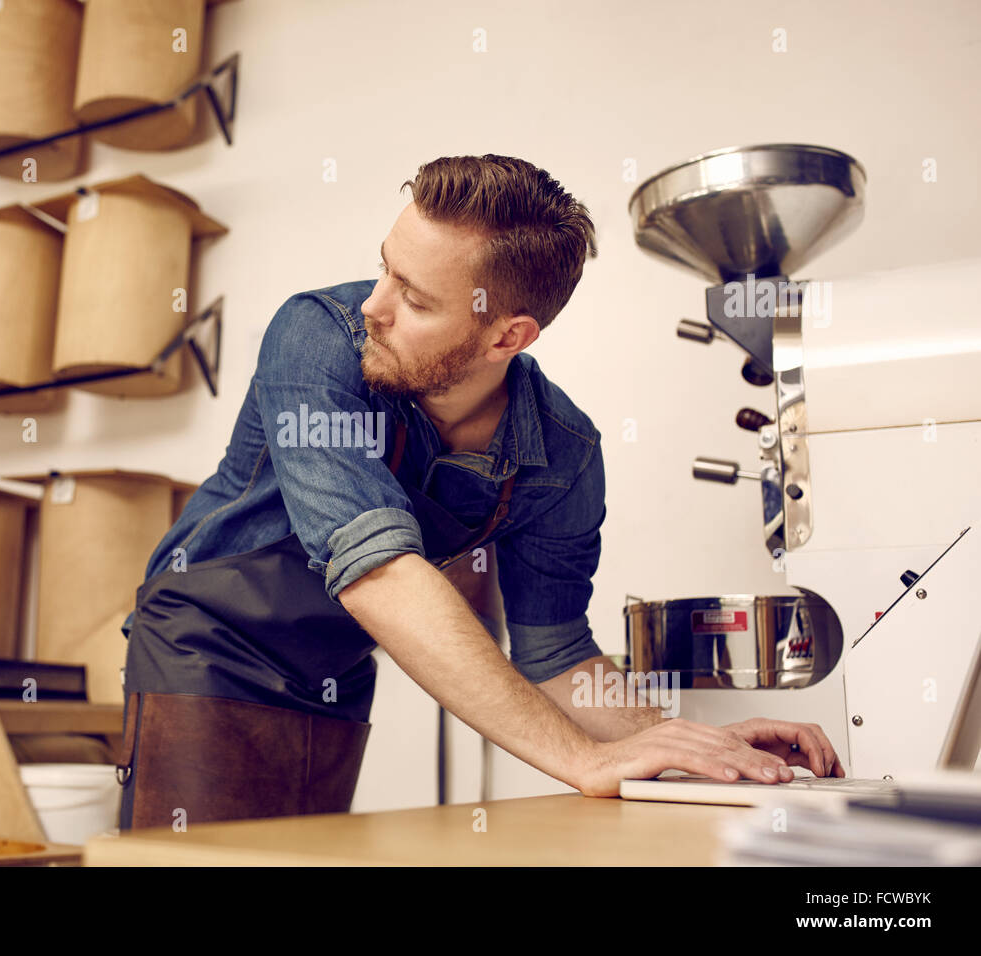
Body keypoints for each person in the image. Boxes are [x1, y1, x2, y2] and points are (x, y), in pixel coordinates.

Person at [115, 153, 843, 830]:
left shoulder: (562, 456)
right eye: (384, 271)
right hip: (203, 647)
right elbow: (375, 570)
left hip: (332, 672)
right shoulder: (315, 340)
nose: (375, 305)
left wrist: (688, 742)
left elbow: (554, 651)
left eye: (415, 298)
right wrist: (586, 761)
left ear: (506, 337)